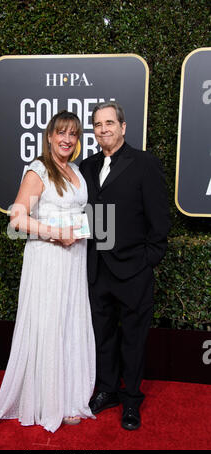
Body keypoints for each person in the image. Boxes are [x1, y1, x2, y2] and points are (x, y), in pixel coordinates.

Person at [0, 110, 96, 433]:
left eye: (73, 134)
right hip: (47, 259)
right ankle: (48, 400)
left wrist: (82, 229)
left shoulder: (74, 169)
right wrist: (55, 232)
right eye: (61, 133)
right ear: (49, 136)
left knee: (69, 322)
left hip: (74, 260)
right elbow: (16, 219)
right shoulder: (39, 170)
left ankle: (71, 397)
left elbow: (80, 212)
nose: (67, 139)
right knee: (48, 324)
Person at [79, 101, 170, 430]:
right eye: (97, 124)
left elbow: (160, 220)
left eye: (109, 123)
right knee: (102, 336)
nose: (103, 129)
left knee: (133, 337)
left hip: (133, 271)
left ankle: (131, 399)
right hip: (96, 268)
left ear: (123, 127)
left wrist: (147, 261)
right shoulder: (86, 166)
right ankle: (106, 390)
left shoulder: (144, 163)